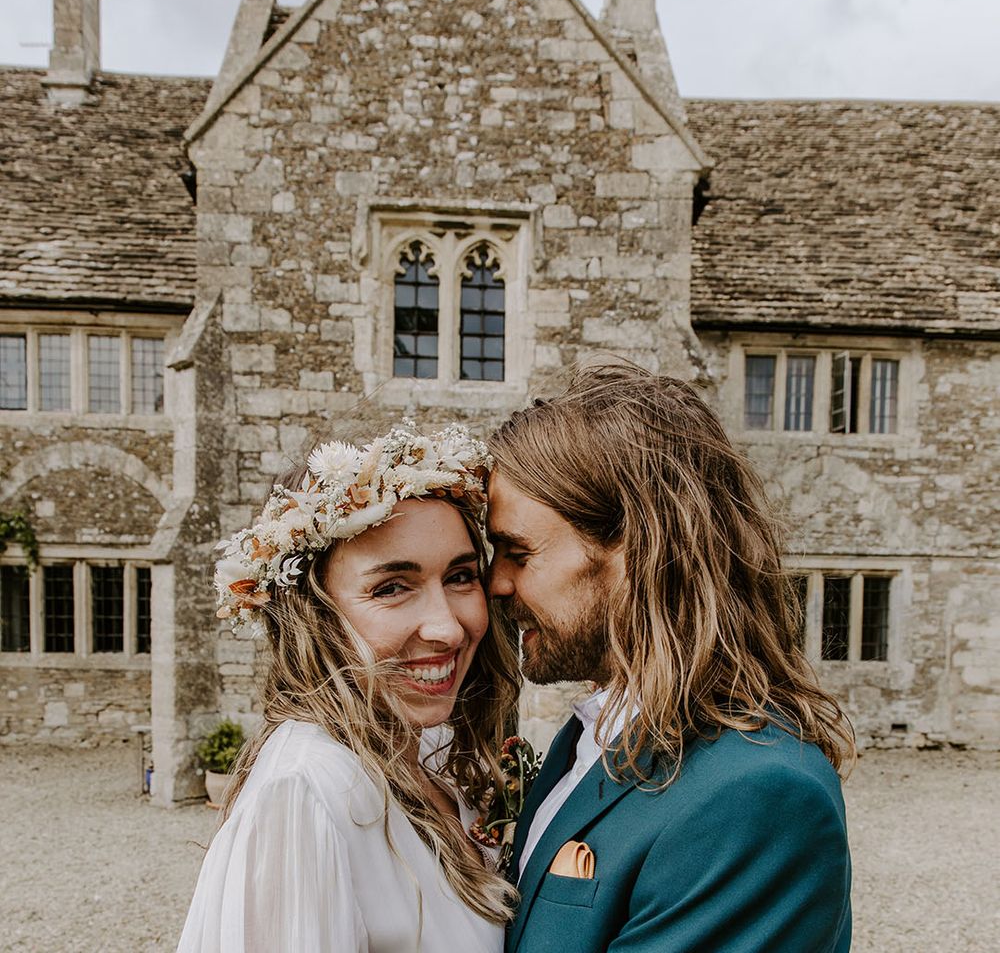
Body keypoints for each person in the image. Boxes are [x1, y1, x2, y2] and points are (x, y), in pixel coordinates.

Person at [487, 364, 855, 953]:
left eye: (517, 552)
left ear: (635, 547)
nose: (496, 583)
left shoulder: (757, 796)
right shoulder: (590, 738)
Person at [177, 423, 519, 953]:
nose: (448, 628)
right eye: (392, 588)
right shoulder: (307, 792)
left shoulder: (433, 756)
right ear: (316, 614)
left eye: (460, 577)